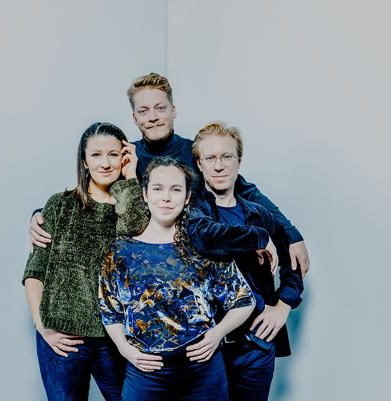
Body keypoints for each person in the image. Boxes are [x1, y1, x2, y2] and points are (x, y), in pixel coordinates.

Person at [29, 72, 311, 278]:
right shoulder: (127, 158)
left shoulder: (197, 154)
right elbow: (90, 190)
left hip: (197, 263)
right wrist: (41, 214)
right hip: (140, 266)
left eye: (160, 108)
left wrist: (292, 234)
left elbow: (247, 193)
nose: (152, 116)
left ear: (173, 110)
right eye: (143, 111)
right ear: (134, 119)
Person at [98, 157, 255, 401]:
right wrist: (125, 349)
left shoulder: (204, 248)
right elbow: (109, 309)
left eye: (175, 189)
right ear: (145, 195)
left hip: (202, 370)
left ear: (187, 197)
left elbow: (244, 300)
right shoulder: (121, 251)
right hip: (146, 370)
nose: (166, 197)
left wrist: (217, 334)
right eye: (158, 189)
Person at [22, 122, 148, 401]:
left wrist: (131, 178)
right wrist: (41, 324)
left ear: (124, 157)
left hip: (115, 336)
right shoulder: (60, 204)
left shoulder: (132, 207)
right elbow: (35, 269)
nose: (105, 162)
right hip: (63, 337)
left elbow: (135, 229)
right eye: (96, 154)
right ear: (84, 161)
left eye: (114, 154)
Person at [186, 122, 304, 401]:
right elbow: (202, 237)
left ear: (239, 161)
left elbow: (293, 266)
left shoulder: (260, 214)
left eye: (227, 156)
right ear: (199, 164)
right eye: (210, 158)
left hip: (255, 346)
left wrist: (284, 306)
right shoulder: (193, 211)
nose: (219, 165)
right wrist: (256, 239)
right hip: (207, 343)